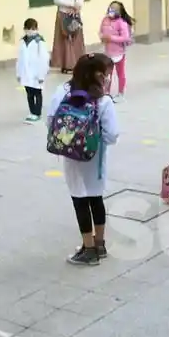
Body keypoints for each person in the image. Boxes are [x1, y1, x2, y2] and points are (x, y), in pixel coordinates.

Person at [52, 53, 120, 266]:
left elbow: (50, 121)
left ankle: (87, 247)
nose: (108, 78)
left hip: (72, 158)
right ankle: (99, 244)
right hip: (96, 159)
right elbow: (112, 135)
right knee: (96, 198)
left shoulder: (62, 92)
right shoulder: (104, 101)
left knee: (79, 199)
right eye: (105, 73)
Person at [51, 0, 85, 74]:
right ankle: (66, 65)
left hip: (75, 13)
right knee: (66, 38)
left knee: (76, 37)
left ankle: (77, 63)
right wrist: (71, 5)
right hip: (64, 13)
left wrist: (78, 5)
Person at [17, 18, 50, 124]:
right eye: (29, 29)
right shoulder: (22, 41)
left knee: (37, 93)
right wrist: (19, 73)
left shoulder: (39, 42)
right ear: (25, 29)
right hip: (26, 73)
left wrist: (41, 75)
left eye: (33, 29)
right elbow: (20, 59)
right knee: (29, 93)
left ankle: (37, 113)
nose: (31, 31)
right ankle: (32, 112)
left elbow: (44, 59)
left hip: (37, 73)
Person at [99, 0, 133, 100]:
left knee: (120, 73)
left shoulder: (121, 23)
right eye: (111, 7)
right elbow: (101, 31)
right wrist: (102, 37)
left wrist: (111, 38)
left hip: (119, 53)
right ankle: (106, 93)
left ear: (120, 11)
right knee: (107, 74)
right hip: (108, 53)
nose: (112, 10)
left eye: (115, 8)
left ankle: (121, 93)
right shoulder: (105, 20)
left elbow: (125, 37)